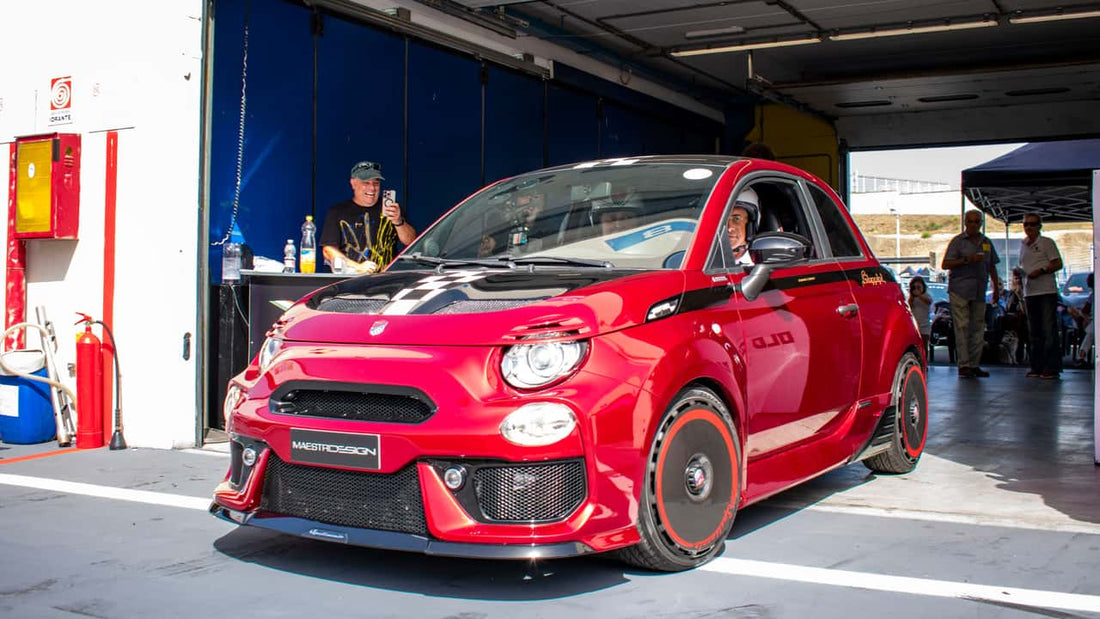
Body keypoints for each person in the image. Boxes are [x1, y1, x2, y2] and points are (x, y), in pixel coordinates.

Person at [320, 161, 417, 274]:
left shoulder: (393, 209)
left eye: (376, 183)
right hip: (349, 281)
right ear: (353, 184)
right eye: (366, 183)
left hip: (386, 280)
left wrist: (398, 221)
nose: (372, 188)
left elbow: (411, 242)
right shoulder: (337, 212)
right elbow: (328, 250)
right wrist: (357, 267)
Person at [942, 209, 1001, 378]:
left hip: (979, 291)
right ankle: (964, 365)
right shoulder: (958, 242)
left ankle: (975, 364)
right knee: (962, 327)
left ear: (981, 224)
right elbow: (945, 264)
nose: (974, 224)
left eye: (977, 221)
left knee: (978, 328)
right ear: (965, 223)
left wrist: (996, 288)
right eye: (971, 221)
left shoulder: (986, 242)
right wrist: (967, 260)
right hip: (960, 290)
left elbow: (992, 266)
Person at [1018, 212, 1064, 379]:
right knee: (1034, 331)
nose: (1029, 227)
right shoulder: (1023, 245)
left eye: (1032, 224)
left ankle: (1052, 367)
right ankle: (1036, 366)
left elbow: (1058, 263)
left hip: (1046, 291)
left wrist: (1042, 270)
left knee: (1048, 329)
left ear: (1039, 226)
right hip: (1029, 291)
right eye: (1026, 225)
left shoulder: (1046, 243)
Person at [727, 186, 759, 265]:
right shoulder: (697, 261)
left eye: (736, 219)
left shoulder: (761, 263)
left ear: (750, 225)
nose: (729, 228)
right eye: (723, 220)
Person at [1073, 273, 1094, 368]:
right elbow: (1085, 310)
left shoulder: (1092, 296)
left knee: (1090, 332)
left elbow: (1085, 310)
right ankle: (1082, 357)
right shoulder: (1092, 296)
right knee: (1090, 332)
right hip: (1094, 321)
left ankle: (1081, 357)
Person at [908, 276, 932, 356]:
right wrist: (912, 296)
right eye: (914, 287)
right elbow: (909, 307)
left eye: (919, 287)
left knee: (924, 345)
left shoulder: (926, 296)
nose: (916, 289)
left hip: (924, 325)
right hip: (914, 325)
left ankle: (924, 363)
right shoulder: (912, 298)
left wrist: (919, 295)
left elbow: (928, 302)